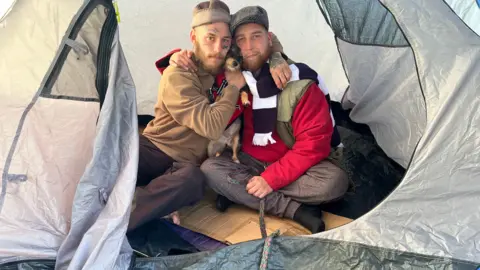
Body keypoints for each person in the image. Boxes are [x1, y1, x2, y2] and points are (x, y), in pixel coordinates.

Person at [198, 6, 349, 233]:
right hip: (248, 160)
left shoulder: (300, 82)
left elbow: (313, 145)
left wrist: (270, 179)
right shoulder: (231, 79)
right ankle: (295, 210)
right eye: (241, 40)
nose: (248, 47)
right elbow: (201, 57)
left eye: (256, 37)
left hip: (293, 163)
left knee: (334, 183)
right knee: (210, 169)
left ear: (269, 39)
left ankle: (241, 193)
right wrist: (181, 58)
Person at [128, 0, 247, 231]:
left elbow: (263, 42)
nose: (217, 49)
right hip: (154, 149)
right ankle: (121, 212)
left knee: (193, 181)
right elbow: (211, 126)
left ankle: (131, 209)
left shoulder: (227, 66)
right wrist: (233, 88)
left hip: (183, 166)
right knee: (111, 155)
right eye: (209, 38)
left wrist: (277, 60)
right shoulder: (178, 73)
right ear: (193, 38)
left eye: (225, 42)